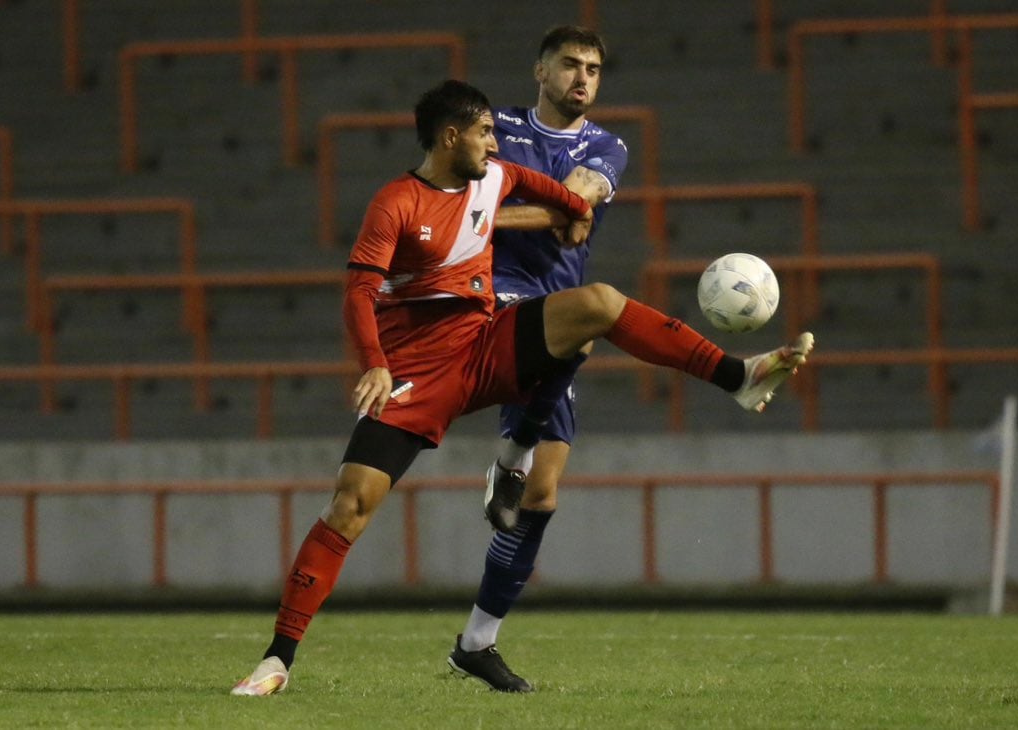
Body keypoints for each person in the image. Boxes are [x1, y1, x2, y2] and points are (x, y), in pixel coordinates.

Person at [230, 78, 813, 697]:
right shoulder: (395, 202)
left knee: (596, 307)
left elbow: (565, 199)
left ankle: (736, 376)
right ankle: (278, 661)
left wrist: (577, 212)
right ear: (450, 136)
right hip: (415, 374)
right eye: (483, 131)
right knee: (350, 506)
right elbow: (358, 292)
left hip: (485, 345)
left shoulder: (497, 176)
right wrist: (373, 362)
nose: (493, 140)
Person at [448, 26, 629, 693]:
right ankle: (510, 455)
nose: (583, 78)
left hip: (556, 302)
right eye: (570, 65)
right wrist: (545, 212)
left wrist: (519, 207)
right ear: (540, 70)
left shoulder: (608, 146)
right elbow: (464, 207)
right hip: (486, 295)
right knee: (578, 332)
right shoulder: (493, 127)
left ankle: (476, 642)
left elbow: (577, 205)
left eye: (594, 69)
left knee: (543, 496)